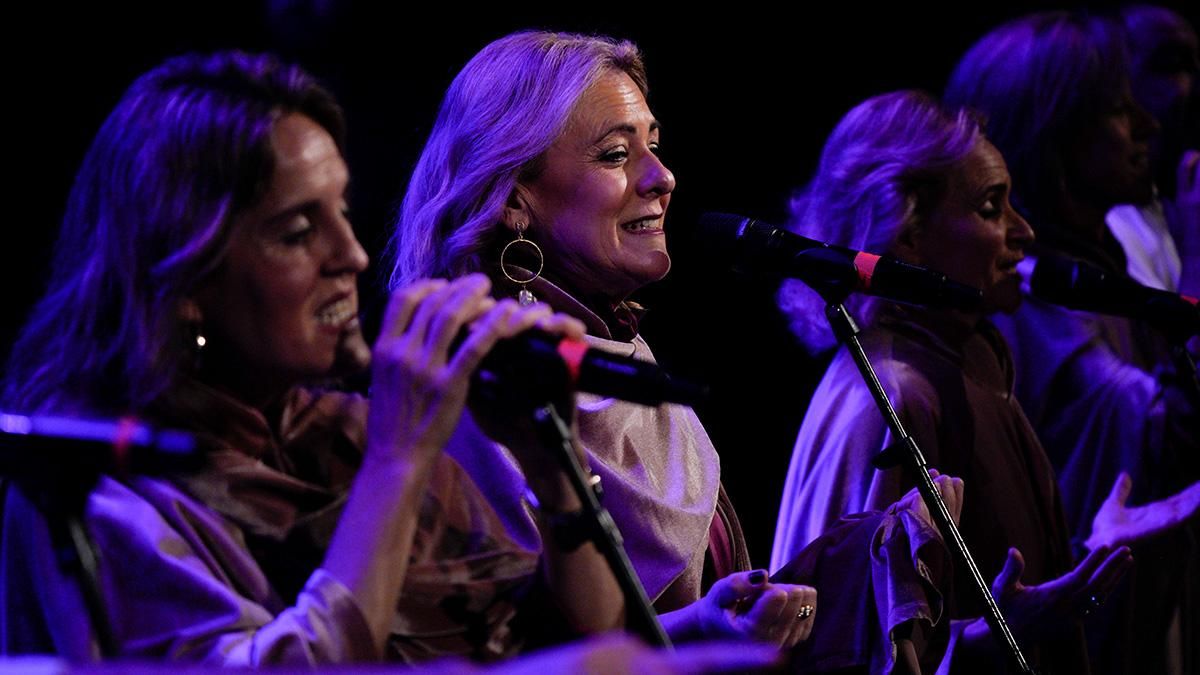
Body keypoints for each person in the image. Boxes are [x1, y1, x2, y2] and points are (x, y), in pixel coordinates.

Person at [1, 50, 625, 665]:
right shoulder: (100, 487)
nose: (352, 255)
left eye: (343, 213)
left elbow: (583, 643)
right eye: (299, 232)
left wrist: (554, 470)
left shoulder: (347, 433)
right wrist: (397, 459)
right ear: (183, 281)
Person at [390, 30, 965, 671]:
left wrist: (866, 565)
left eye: (654, 147)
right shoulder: (473, 392)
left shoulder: (627, 355)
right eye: (615, 154)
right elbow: (518, 655)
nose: (662, 177)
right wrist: (704, 629)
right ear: (515, 197)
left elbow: (717, 605)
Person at [769, 90, 1146, 673]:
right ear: (907, 233)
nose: (1024, 231)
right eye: (991, 208)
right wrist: (986, 640)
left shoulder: (966, 362)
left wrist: (1092, 549)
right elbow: (839, 638)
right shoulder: (892, 394)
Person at [945, 13, 1200, 672]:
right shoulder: (1028, 299)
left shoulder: (1101, 266)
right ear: (1054, 131)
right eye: (1118, 109)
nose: (1147, 126)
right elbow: (1168, 443)